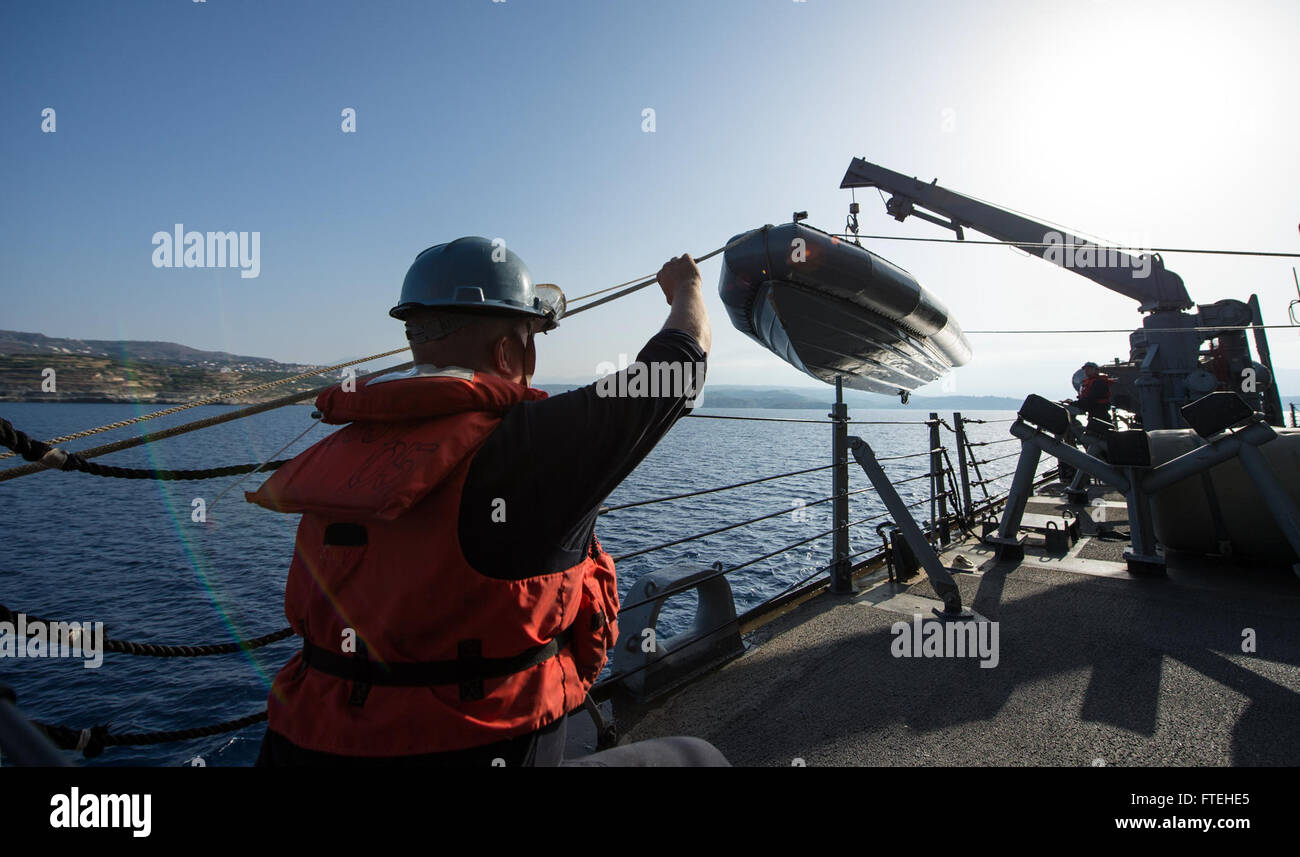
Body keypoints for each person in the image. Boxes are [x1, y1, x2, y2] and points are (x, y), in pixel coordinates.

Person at [248, 236, 728, 767]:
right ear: (507, 352)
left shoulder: (348, 447)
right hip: (475, 747)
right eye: (530, 338)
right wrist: (688, 286)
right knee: (698, 759)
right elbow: (680, 366)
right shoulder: (529, 447)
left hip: (297, 744)